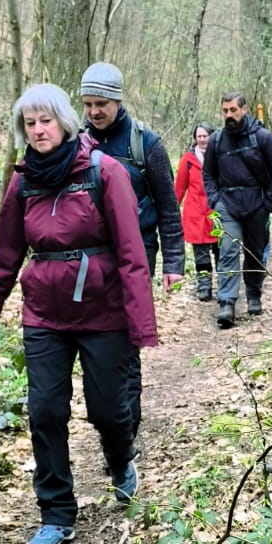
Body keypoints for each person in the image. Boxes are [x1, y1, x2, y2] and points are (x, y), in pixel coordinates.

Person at [0, 84, 157, 544]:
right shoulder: (23, 183)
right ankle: (56, 514)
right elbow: (3, 261)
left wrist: (141, 325)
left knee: (108, 410)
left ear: (64, 122)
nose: (38, 130)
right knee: (45, 411)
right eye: (30, 123)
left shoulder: (105, 172)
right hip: (44, 314)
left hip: (104, 312)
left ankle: (120, 461)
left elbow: (131, 254)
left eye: (46, 121)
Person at [80, 62, 183, 439]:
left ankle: (126, 425)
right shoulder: (76, 142)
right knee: (96, 335)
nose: (94, 112)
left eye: (101, 104)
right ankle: (109, 413)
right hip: (88, 256)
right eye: (88, 104)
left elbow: (168, 207)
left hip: (137, 252)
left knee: (125, 335)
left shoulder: (146, 145)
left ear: (118, 100)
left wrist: (174, 262)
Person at [201, 92, 272, 328]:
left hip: (257, 204)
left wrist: (268, 202)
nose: (229, 115)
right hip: (227, 205)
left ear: (244, 110)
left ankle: (254, 294)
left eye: (233, 110)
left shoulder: (262, 137)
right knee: (228, 250)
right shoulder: (216, 140)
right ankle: (227, 303)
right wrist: (215, 200)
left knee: (255, 252)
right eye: (225, 111)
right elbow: (208, 174)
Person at [174, 123, 219, 301]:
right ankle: (204, 286)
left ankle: (224, 285)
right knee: (201, 254)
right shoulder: (188, 160)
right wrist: (171, 211)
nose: (202, 139)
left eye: (205, 136)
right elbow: (179, 188)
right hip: (196, 214)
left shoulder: (220, 155)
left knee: (221, 251)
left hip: (217, 212)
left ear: (211, 137)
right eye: (199, 136)